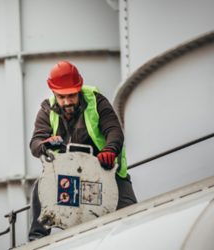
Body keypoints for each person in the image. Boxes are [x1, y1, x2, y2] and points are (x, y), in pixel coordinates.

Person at [28, 60, 137, 241]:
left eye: (71, 96)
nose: (67, 101)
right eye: (62, 97)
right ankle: (37, 239)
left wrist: (110, 150)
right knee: (41, 186)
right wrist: (44, 145)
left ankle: (134, 234)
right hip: (68, 176)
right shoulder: (47, 110)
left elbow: (114, 131)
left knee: (132, 215)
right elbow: (35, 142)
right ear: (54, 93)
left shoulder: (97, 101)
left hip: (105, 169)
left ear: (79, 89)